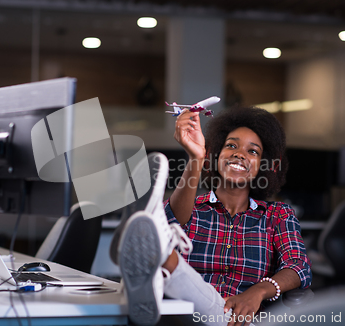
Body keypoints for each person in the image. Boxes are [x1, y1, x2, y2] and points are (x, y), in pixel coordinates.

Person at [113, 105, 311, 326]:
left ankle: (159, 261)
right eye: (231, 146)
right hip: (185, 317)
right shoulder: (192, 208)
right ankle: (157, 257)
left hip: (241, 322)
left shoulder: (277, 215)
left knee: (164, 252)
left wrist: (259, 291)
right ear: (215, 155)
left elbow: (298, 266)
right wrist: (196, 156)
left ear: (263, 166)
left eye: (252, 151)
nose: (239, 154)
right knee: (164, 233)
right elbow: (175, 220)